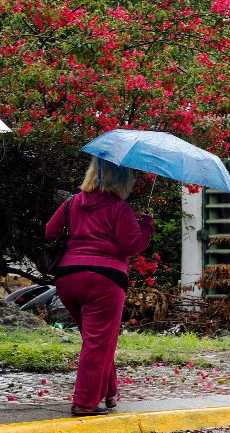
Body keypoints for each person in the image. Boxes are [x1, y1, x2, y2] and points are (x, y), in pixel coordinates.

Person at [45, 156, 154, 416]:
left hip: (68, 278)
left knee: (96, 340)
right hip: (104, 281)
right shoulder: (119, 208)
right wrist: (146, 227)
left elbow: (50, 232)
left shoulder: (73, 202)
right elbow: (131, 245)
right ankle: (84, 402)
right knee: (98, 342)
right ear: (122, 178)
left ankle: (110, 392)